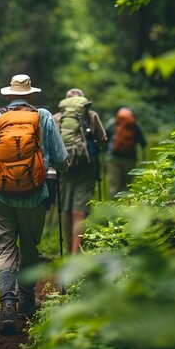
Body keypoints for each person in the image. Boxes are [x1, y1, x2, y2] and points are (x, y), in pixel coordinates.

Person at [0, 74, 68, 334]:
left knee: (4, 250)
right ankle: (27, 302)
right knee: (29, 246)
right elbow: (60, 158)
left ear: (8, 96)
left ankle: (8, 306)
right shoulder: (44, 116)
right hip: (34, 195)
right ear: (31, 95)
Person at [53, 88, 107, 254]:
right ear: (83, 102)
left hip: (64, 170)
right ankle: (77, 254)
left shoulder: (57, 118)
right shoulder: (91, 115)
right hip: (86, 168)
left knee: (67, 210)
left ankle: (69, 251)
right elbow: (103, 138)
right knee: (80, 211)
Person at [105, 106, 147, 198]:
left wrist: (104, 155)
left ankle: (114, 209)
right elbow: (143, 143)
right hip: (130, 158)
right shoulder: (134, 125)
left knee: (115, 185)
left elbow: (104, 140)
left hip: (113, 158)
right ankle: (126, 209)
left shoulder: (112, 124)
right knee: (127, 185)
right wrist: (143, 160)